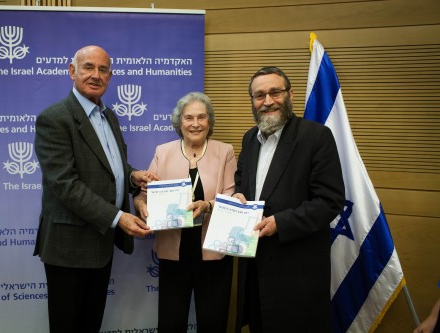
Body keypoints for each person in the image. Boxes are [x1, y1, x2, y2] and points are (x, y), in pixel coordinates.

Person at [33, 45, 158, 333]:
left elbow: (110, 166)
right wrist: (118, 218)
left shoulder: (109, 116)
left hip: (100, 242)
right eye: (88, 67)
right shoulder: (55, 118)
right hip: (69, 246)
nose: (96, 75)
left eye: (103, 70)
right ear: (72, 71)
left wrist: (133, 176)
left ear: (110, 76)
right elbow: (65, 185)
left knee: (91, 324)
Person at [232, 66, 345, 332]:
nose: (268, 101)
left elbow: (329, 201)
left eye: (275, 92)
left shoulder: (316, 137)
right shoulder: (250, 138)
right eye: (259, 95)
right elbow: (242, 182)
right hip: (256, 271)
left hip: (297, 273)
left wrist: (280, 223)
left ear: (290, 94)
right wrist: (238, 196)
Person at [134, 92, 237, 333]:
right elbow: (143, 194)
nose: (195, 123)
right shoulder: (163, 151)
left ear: (209, 121)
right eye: (189, 117)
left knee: (213, 323)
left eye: (202, 117)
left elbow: (232, 197)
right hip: (173, 254)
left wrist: (208, 206)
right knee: (170, 323)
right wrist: (141, 206)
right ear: (179, 122)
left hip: (214, 254)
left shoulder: (225, 152)